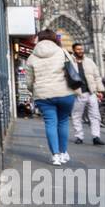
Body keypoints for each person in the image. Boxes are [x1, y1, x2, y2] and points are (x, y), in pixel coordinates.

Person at [25, 29, 76, 165]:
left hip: (44, 95)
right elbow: (73, 70)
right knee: (63, 121)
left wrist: (34, 90)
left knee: (50, 123)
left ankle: (55, 155)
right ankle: (64, 152)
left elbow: (29, 81)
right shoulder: (62, 52)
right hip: (65, 93)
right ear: (54, 39)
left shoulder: (32, 57)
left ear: (39, 39)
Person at [69, 42, 105, 145]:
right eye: (78, 49)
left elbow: (97, 76)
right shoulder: (70, 62)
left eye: (81, 49)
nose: (80, 51)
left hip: (91, 92)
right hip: (78, 93)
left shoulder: (90, 62)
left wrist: (100, 90)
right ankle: (79, 136)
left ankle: (96, 137)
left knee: (95, 115)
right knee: (77, 115)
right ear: (74, 50)